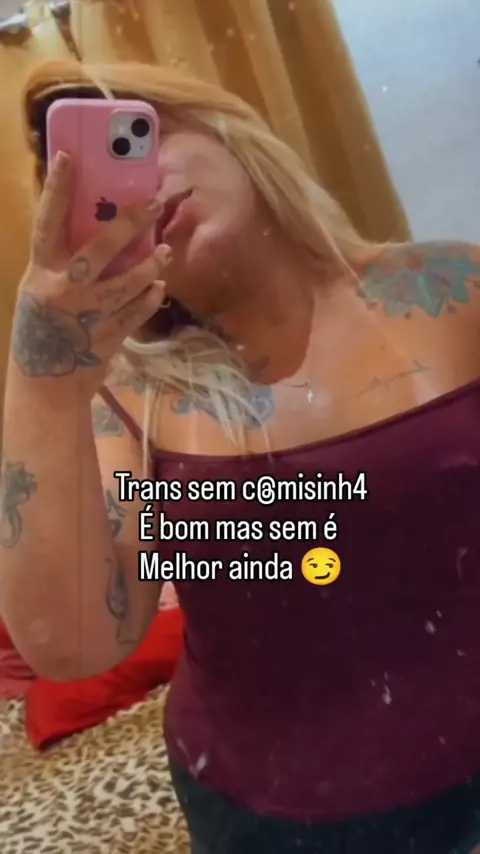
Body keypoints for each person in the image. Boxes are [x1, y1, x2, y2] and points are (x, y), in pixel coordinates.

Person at [1, 58, 480, 854]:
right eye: (99, 191)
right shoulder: (125, 401)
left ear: (225, 127)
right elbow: (76, 643)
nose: (142, 188)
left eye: (137, 136)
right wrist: (43, 380)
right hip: (272, 817)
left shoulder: (456, 288)